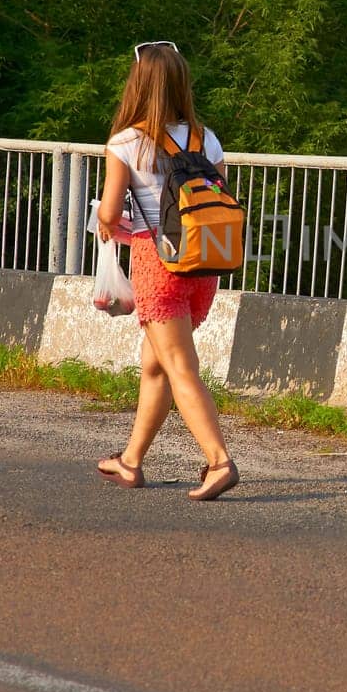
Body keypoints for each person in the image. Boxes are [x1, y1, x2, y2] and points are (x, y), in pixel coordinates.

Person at [94, 41, 239, 501]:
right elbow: (214, 197)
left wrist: (103, 220)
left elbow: (112, 210)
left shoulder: (126, 142)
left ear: (138, 84)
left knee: (179, 365)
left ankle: (219, 462)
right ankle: (131, 461)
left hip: (158, 263)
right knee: (155, 364)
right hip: (203, 263)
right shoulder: (205, 138)